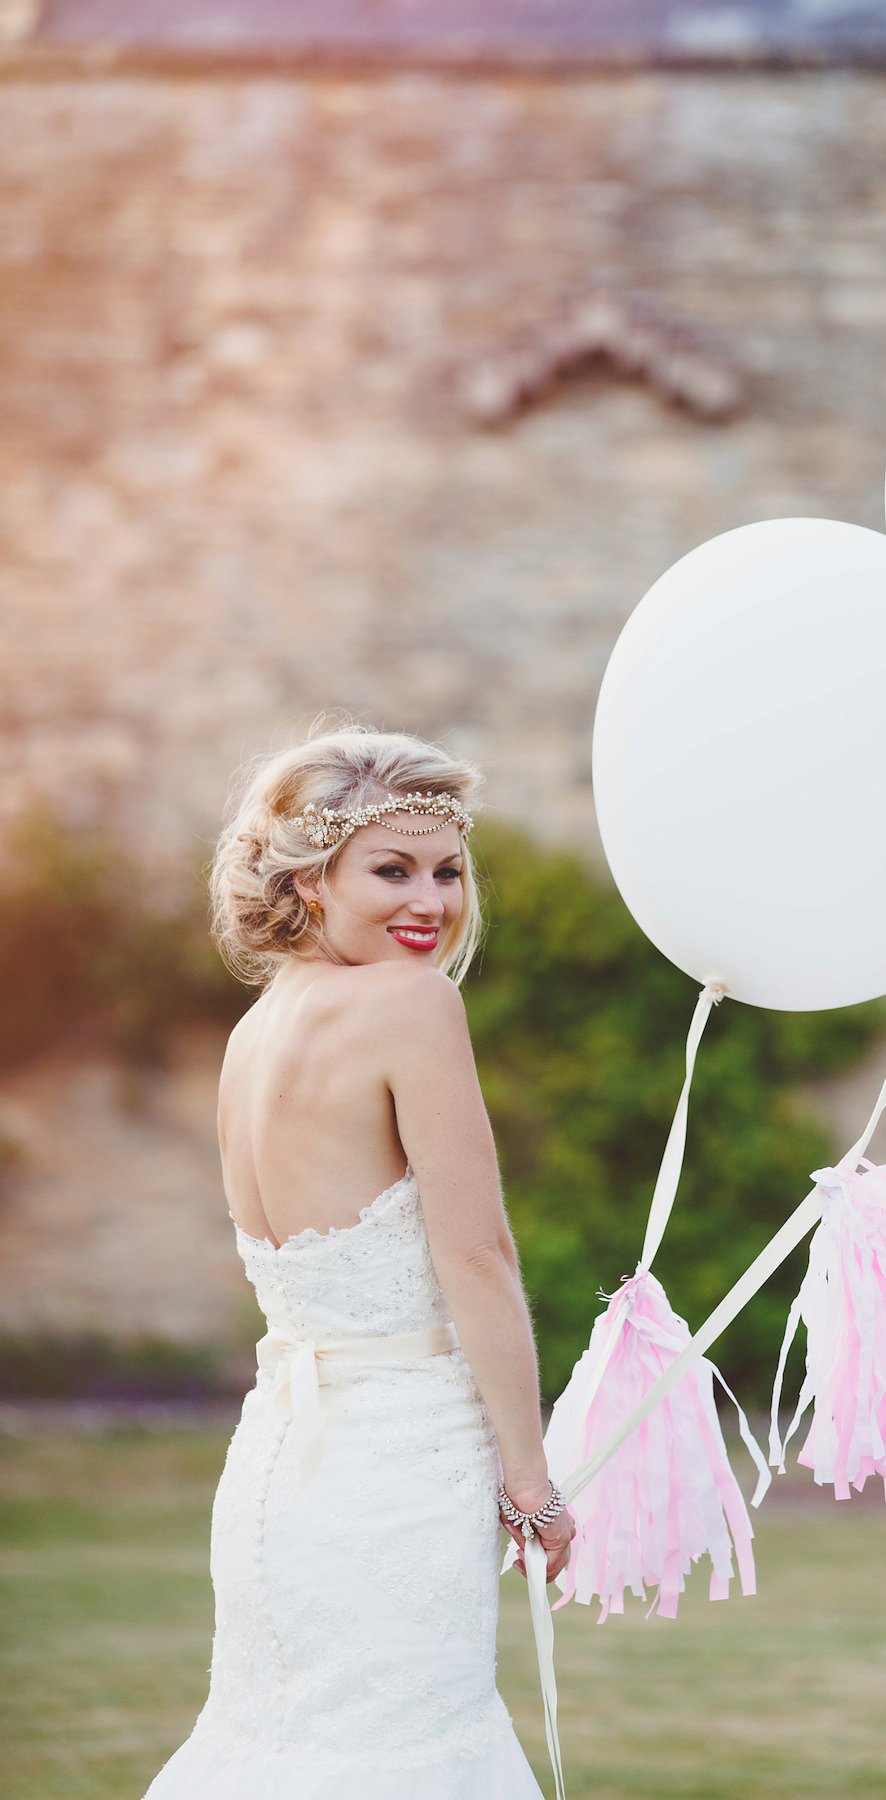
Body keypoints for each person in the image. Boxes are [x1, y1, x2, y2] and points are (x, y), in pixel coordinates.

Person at [141, 722, 575, 1800]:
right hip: (401, 1466)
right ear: (311, 879)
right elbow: (476, 1254)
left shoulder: (255, 1034)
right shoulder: (413, 1004)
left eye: (449, 870)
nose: (430, 900)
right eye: (392, 869)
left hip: (279, 1469)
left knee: (279, 1741)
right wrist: (532, 1480)